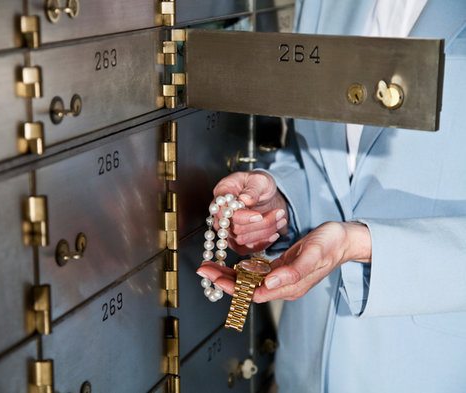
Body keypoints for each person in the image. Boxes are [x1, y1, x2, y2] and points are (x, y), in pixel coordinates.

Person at [197, 0, 466, 392]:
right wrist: (279, 206)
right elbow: (317, 161)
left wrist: (358, 243)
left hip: (427, 371)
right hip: (302, 370)